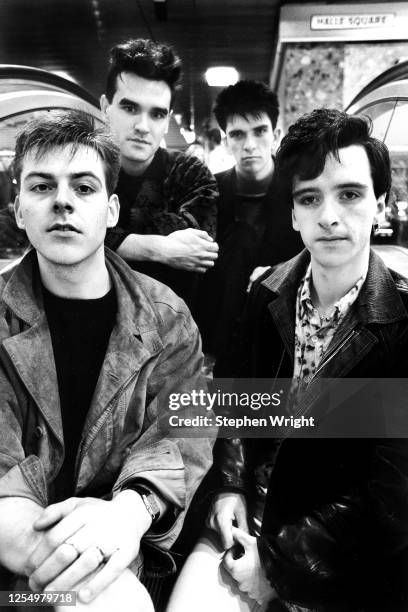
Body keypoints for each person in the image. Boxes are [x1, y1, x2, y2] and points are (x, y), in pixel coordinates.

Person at [167, 109, 408, 612]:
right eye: (309, 198)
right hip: (248, 521)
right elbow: (235, 399)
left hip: (341, 557)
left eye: (350, 194)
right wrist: (229, 486)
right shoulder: (267, 294)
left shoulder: (402, 323)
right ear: (294, 214)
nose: (329, 216)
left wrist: (276, 565)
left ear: (380, 204)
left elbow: (391, 499)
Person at [0, 110, 213, 610]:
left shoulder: (166, 319)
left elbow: (183, 432)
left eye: (84, 187)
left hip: (122, 547)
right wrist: (81, 566)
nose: (63, 202)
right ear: (18, 209)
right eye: (41, 186)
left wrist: (130, 512)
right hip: (17, 565)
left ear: (113, 209)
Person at [100, 38, 219, 310]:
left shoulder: (190, 172)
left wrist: (108, 236)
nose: (142, 126)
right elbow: (68, 234)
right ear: (106, 107)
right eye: (130, 108)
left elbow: (200, 246)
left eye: (156, 114)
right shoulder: (84, 173)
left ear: (167, 121)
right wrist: (161, 249)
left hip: (174, 334)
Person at [198, 80, 302, 357]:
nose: (250, 145)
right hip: (219, 342)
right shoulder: (208, 192)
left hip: (283, 337)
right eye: (238, 135)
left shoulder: (300, 191)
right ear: (225, 139)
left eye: (259, 131)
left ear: (276, 133)